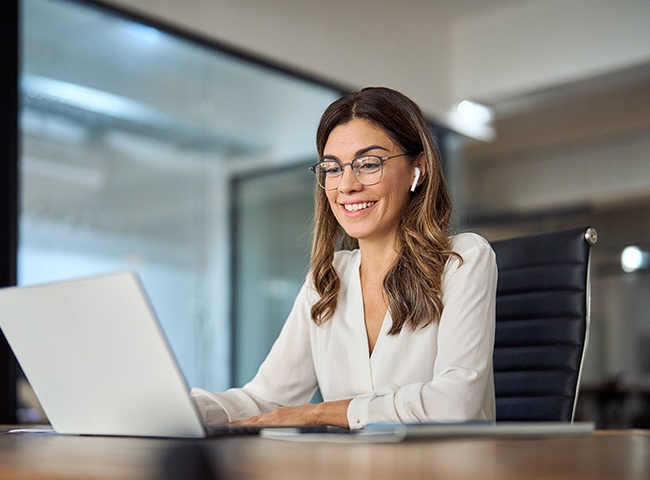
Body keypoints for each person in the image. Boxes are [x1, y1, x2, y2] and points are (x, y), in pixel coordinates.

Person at [191, 87, 497, 429]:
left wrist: (319, 412)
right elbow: (266, 398)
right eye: (333, 168)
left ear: (418, 170)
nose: (347, 185)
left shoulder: (463, 258)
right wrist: (184, 408)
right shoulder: (327, 279)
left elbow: (454, 404)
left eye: (369, 164)